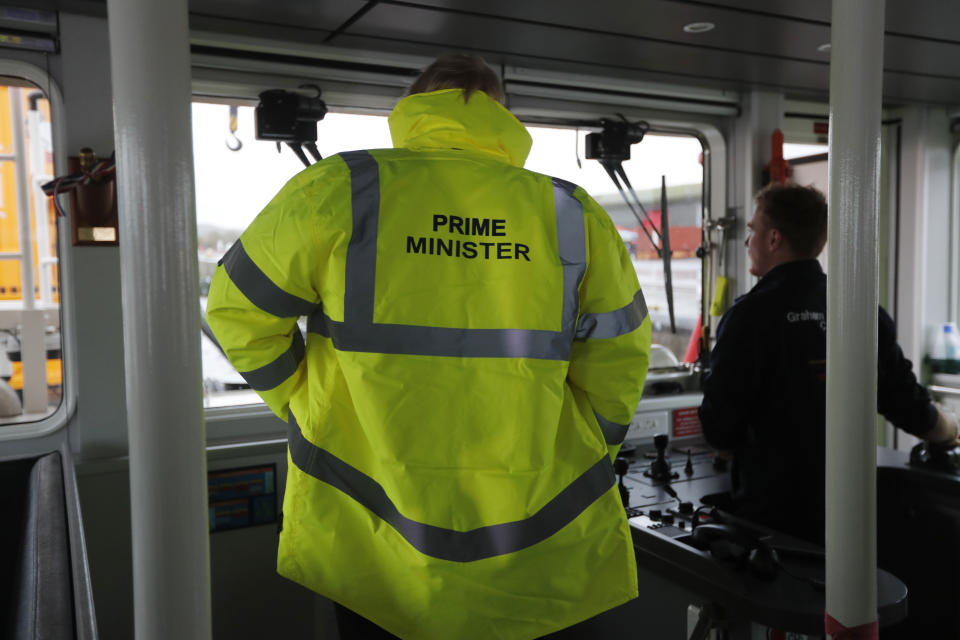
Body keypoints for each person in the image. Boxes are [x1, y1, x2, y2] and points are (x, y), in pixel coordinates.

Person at [205, 54, 652, 639]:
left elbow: (236, 311)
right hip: (537, 545)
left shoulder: (338, 188)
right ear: (501, 115)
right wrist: (588, 446)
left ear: (416, 107)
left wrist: (306, 404)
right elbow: (619, 361)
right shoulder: (572, 213)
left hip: (367, 541)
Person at [698, 182, 959, 544]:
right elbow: (905, 402)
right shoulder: (862, 310)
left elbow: (719, 429)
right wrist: (948, 428)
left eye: (752, 231)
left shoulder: (748, 317)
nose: (747, 242)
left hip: (771, 516)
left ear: (774, 239)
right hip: (851, 509)